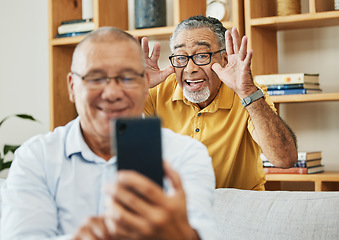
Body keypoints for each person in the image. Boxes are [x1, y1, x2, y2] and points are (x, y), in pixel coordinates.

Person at [1, 27, 218, 240]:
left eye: (127, 78)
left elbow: (203, 231)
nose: (112, 93)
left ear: (145, 84)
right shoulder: (35, 157)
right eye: (95, 78)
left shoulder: (186, 154)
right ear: (72, 87)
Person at [143, 15, 298, 190]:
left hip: (237, 208)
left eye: (202, 56)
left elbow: (285, 159)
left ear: (224, 59)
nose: (190, 69)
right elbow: (114, 150)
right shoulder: (156, 91)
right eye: (180, 57)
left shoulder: (249, 94)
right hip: (176, 207)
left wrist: (247, 92)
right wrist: (132, 89)